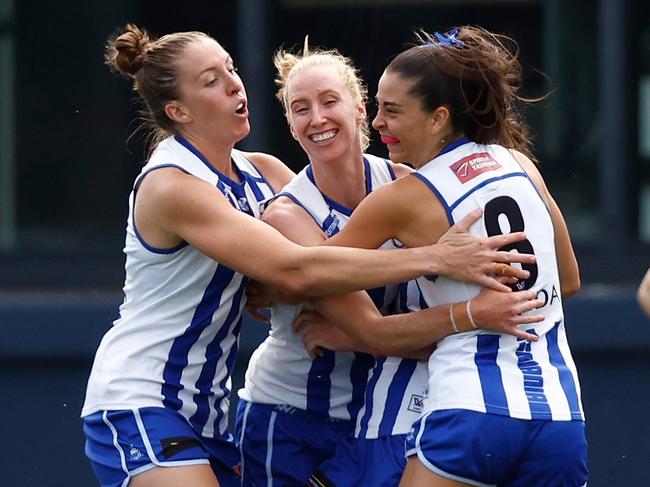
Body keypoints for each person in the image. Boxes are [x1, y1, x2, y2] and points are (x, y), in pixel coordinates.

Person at [80, 24, 536, 487]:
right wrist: (437, 259)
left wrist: (272, 289)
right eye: (211, 80)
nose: (235, 84)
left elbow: (295, 270)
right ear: (177, 110)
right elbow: (297, 267)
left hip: (209, 409)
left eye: (230, 69)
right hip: (143, 394)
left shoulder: (261, 171)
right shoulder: (172, 185)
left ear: (361, 108)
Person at [236, 40, 544, 487]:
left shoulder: (406, 183)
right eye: (300, 108)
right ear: (290, 125)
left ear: (361, 110)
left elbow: (435, 327)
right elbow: (376, 332)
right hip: (291, 417)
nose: (317, 118)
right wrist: (467, 314)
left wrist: (355, 335)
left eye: (329, 101)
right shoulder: (288, 214)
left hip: (382, 413)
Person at [295, 26, 587, 487]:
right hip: (560, 416)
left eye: (392, 111)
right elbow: (568, 280)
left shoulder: (404, 196)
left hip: (470, 409)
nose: (377, 124)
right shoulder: (521, 164)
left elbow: (308, 274)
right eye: (377, 109)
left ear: (438, 118)